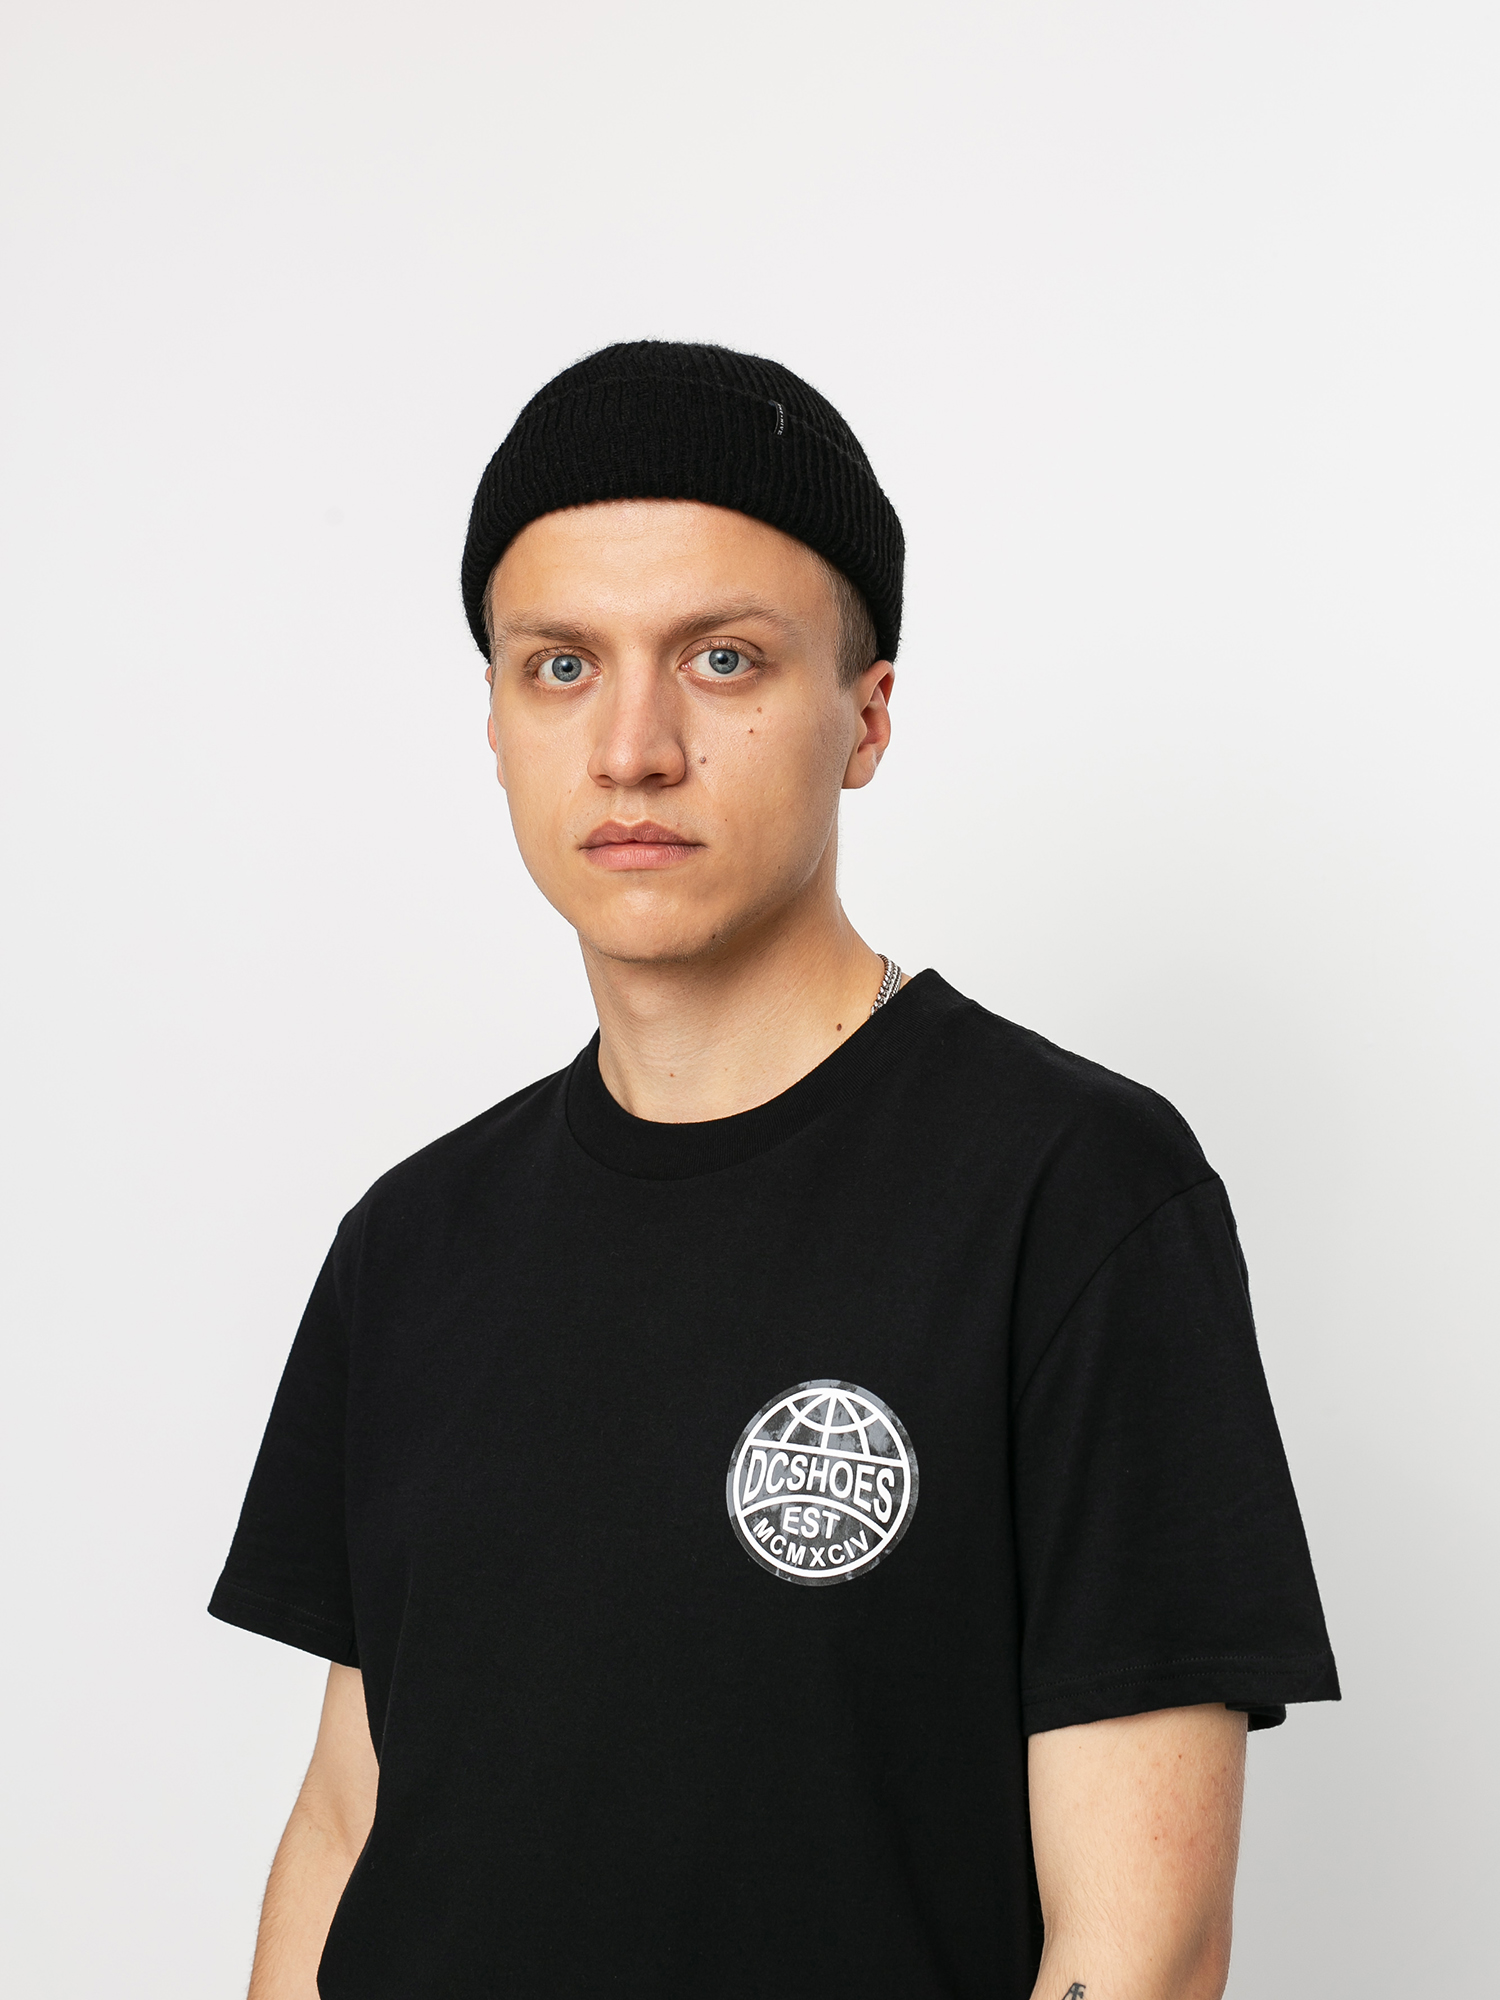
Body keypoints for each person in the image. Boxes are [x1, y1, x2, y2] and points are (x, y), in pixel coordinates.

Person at [210, 341, 1338, 2000]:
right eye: (561, 666)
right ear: (498, 722)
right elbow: (346, 1817)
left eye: (723, 658)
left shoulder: (1075, 1195)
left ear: (865, 717)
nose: (633, 747)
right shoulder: (414, 1242)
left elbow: (1144, 1946)